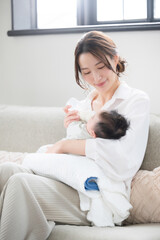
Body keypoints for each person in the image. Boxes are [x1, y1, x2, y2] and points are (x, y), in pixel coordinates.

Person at [0, 31, 150, 239]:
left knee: (20, 183)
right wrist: (70, 138)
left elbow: (123, 160)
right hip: (67, 179)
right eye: (86, 72)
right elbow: (73, 158)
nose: (95, 78)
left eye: (101, 67)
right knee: (5, 170)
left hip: (98, 194)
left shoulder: (135, 101)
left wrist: (66, 146)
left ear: (115, 60)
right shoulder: (83, 105)